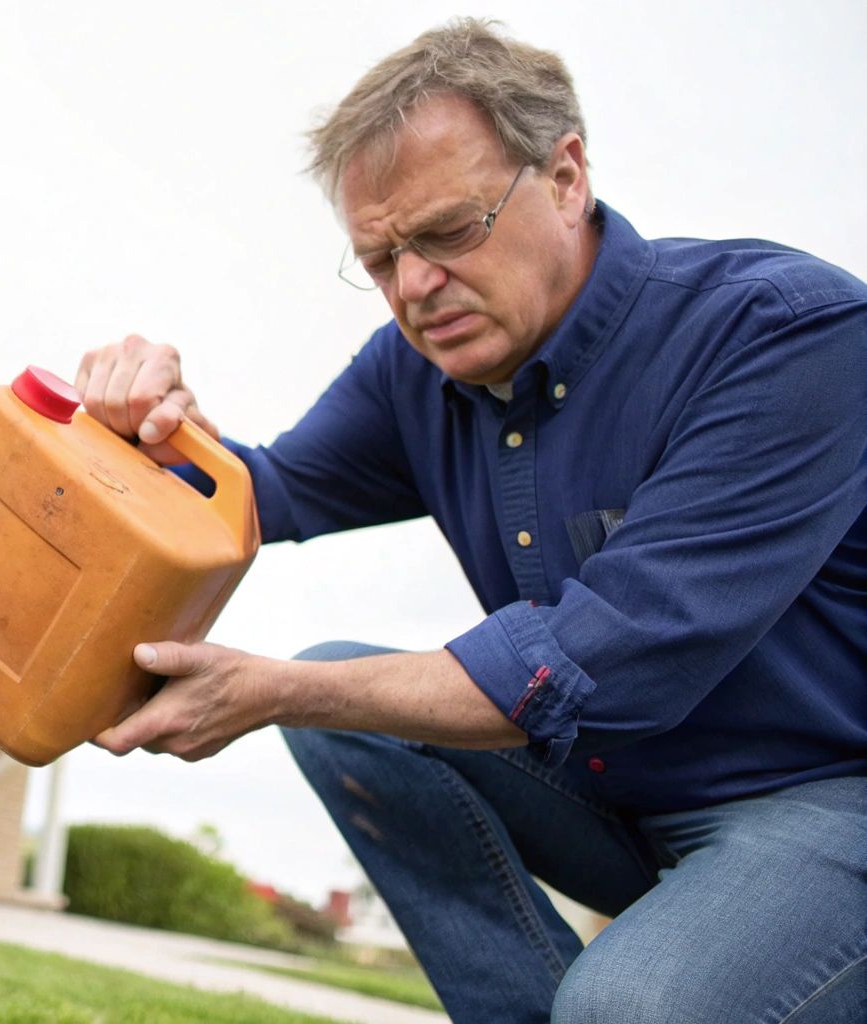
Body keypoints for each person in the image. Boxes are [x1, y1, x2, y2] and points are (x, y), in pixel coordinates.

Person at [75, 18, 867, 1024]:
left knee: (628, 1004)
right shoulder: (415, 372)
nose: (411, 287)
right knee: (348, 728)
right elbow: (248, 493)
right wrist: (144, 427)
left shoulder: (782, 335)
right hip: (618, 793)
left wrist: (270, 689)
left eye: (448, 231)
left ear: (566, 175)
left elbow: (595, 662)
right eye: (378, 257)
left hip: (823, 806)